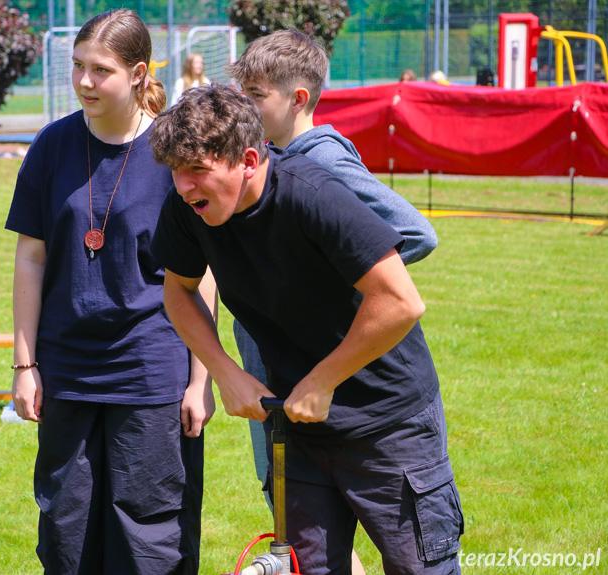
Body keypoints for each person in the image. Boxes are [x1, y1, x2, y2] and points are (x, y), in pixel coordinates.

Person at [149, 85, 464, 575]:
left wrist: (322, 380)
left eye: (197, 170)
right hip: (294, 427)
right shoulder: (190, 210)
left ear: (248, 160)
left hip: (389, 422)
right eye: (175, 172)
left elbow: (401, 301)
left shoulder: (314, 195)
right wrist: (225, 372)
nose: (183, 186)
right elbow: (179, 291)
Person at [5, 9, 215, 575]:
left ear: (139, 73)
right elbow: (30, 257)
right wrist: (24, 366)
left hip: (151, 368)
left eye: (100, 70)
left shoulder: (174, 150)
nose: (83, 82)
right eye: (77, 67)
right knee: (66, 527)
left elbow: (203, 274)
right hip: (67, 368)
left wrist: (201, 379)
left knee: (148, 532)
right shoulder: (52, 146)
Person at [225, 29, 439, 572]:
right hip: (284, 391)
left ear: (299, 99)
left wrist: (327, 279)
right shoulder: (262, 163)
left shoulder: (322, 166)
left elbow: (414, 232)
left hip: (352, 401)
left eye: (256, 94)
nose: (244, 105)